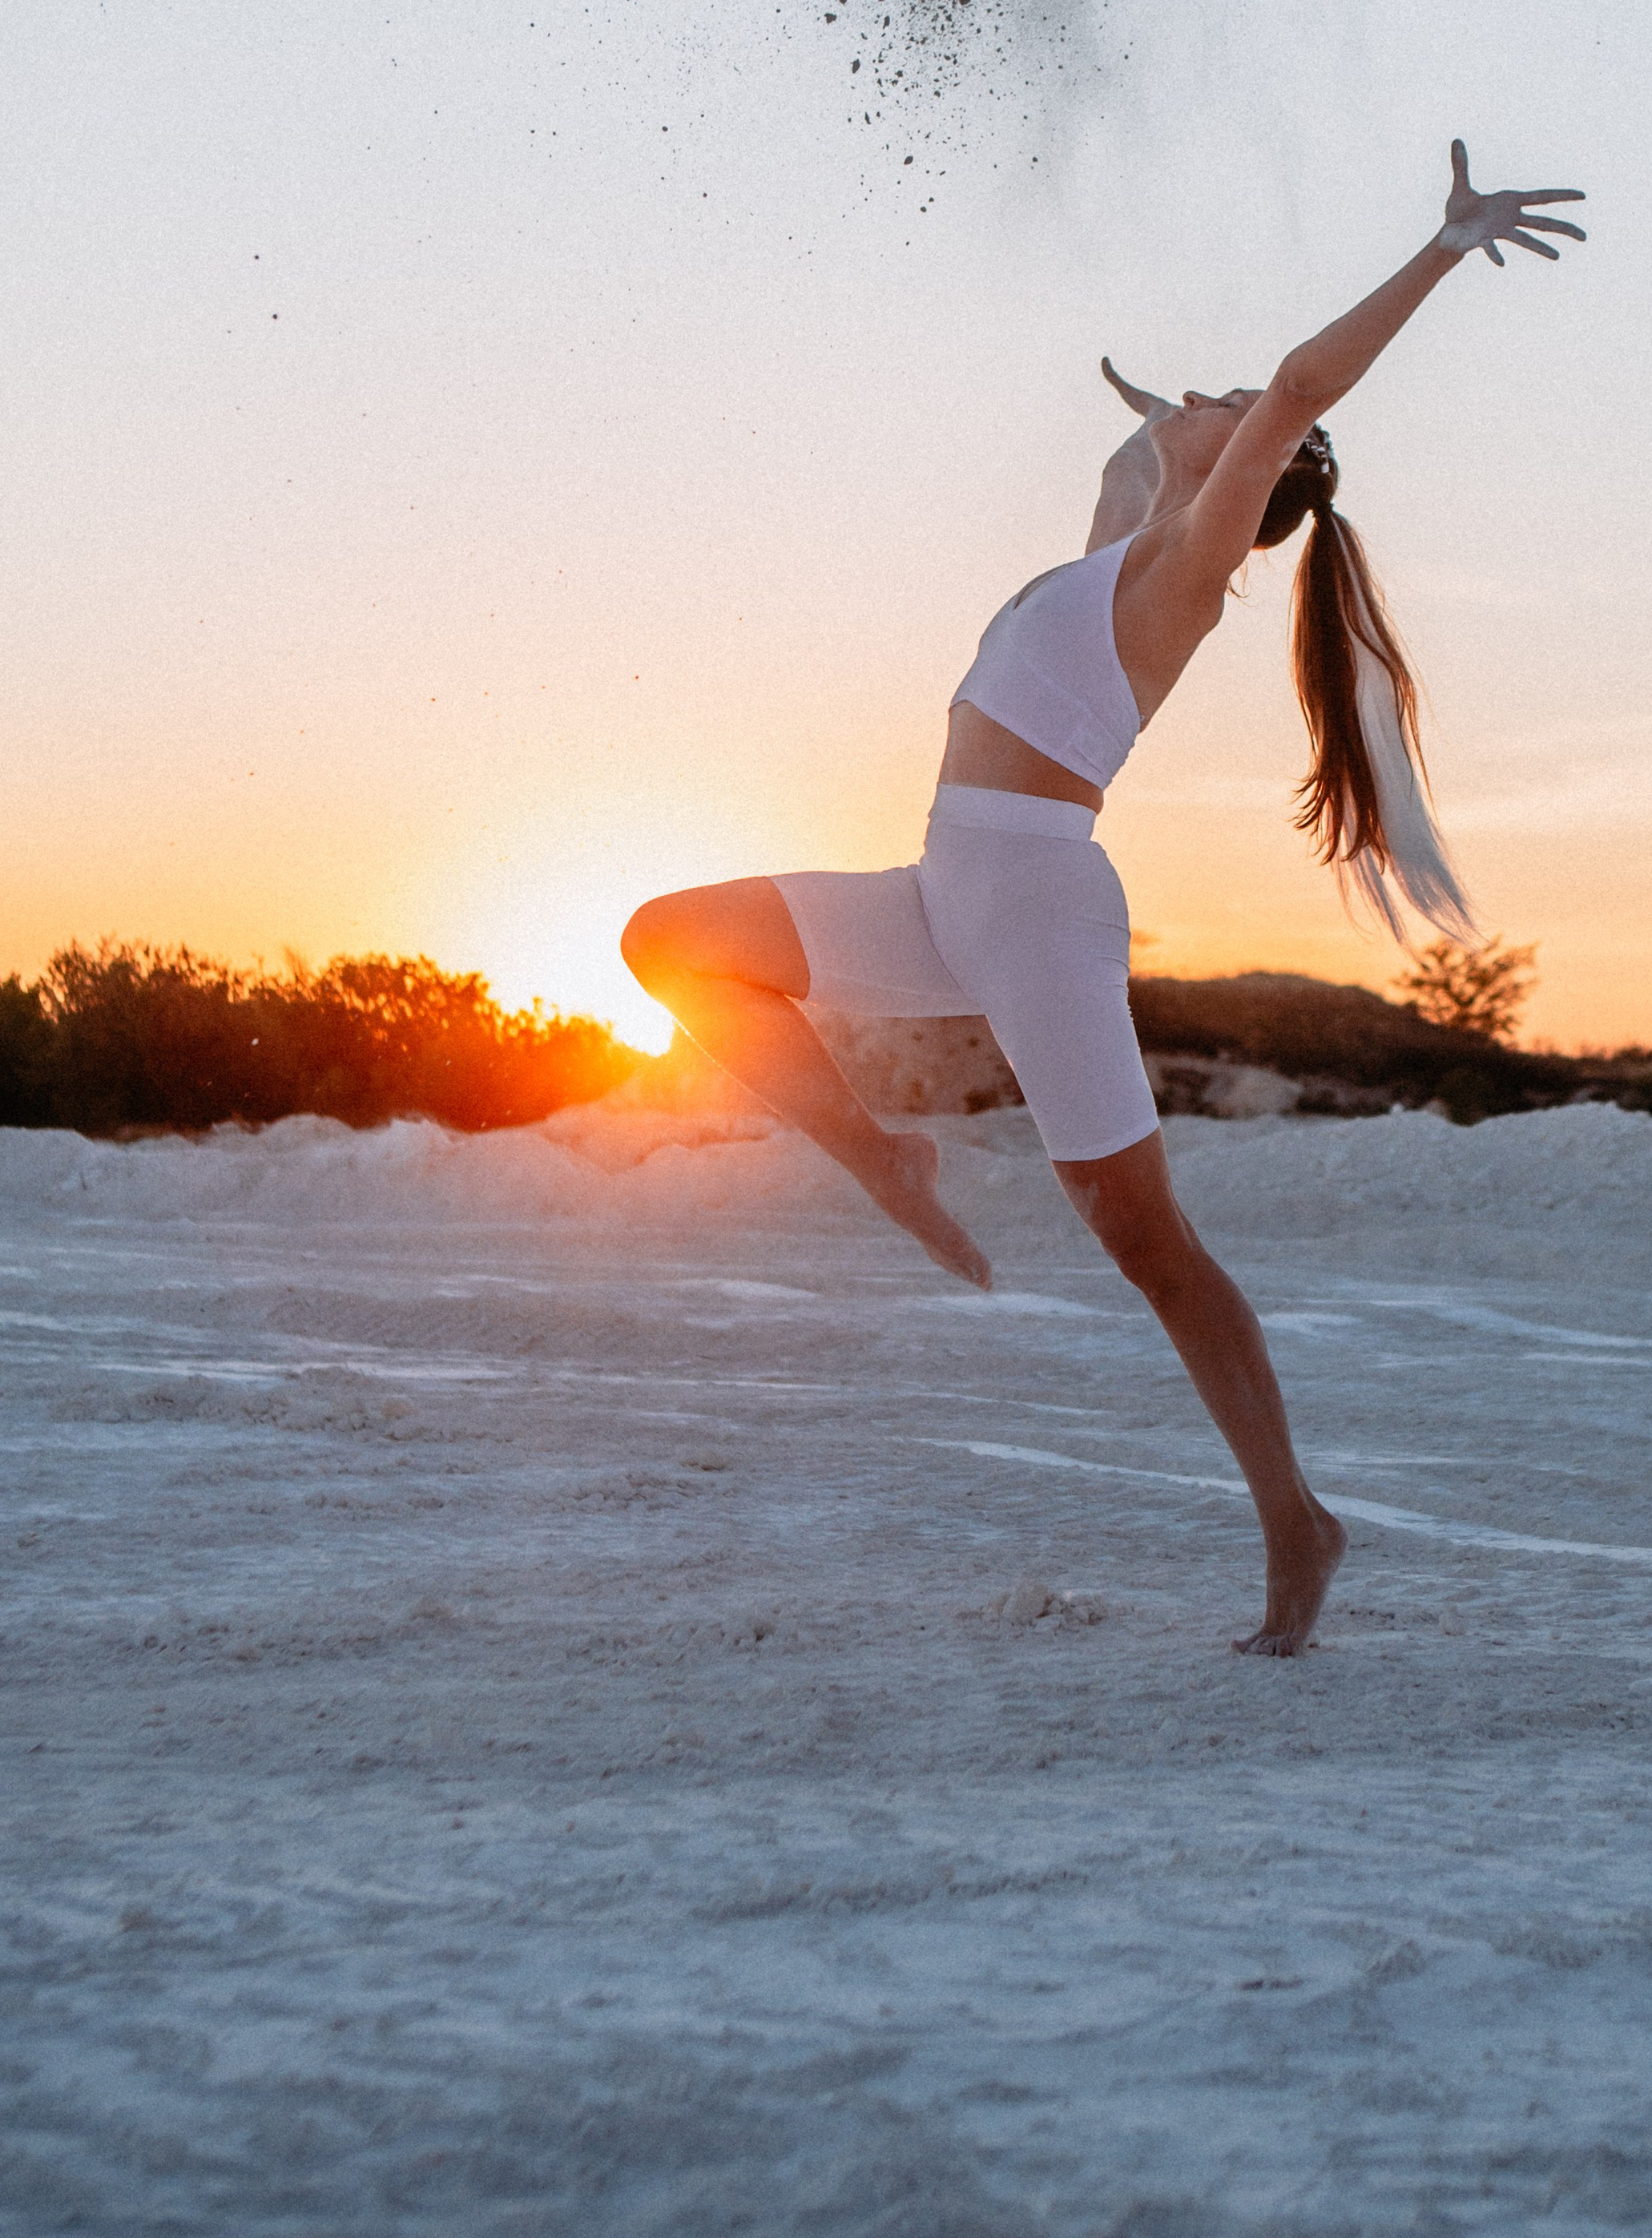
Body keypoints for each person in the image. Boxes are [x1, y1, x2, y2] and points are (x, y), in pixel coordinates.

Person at [622, 141, 1586, 1651]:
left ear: (1249, 469)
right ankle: (883, 1157)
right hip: (942, 888)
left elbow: (1294, 391)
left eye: (1226, 405)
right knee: (668, 941)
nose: (1213, 394)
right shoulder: (1122, 552)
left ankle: (1297, 1523)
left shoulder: (1186, 573)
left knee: (1145, 1240)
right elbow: (1139, 472)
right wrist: (1159, 429)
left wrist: (1444, 248)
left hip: (1034, 905)